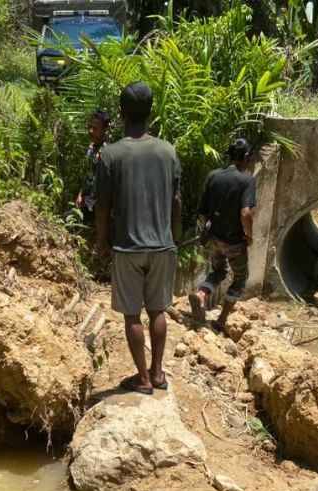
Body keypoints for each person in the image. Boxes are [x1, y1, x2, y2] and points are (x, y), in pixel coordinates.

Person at [95, 82, 182, 395]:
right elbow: (176, 201)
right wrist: (175, 236)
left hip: (127, 247)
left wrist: (101, 242)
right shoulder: (168, 151)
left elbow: (103, 206)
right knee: (158, 310)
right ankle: (158, 373)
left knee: (133, 314)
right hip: (163, 245)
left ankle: (142, 378)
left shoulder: (110, 154)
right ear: (150, 112)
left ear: (121, 112)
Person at [188, 138, 257, 333]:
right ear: (245, 157)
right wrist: (249, 235)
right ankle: (221, 320)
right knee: (240, 278)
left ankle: (201, 294)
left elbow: (202, 211)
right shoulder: (247, 180)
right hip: (234, 241)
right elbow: (246, 213)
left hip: (214, 238)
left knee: (219, 271)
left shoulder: (213, 176)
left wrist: (204, 232)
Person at [76, 110, 111, 228]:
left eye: (95, 128)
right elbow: (88, 174)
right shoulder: (91, 148)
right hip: (86, 202)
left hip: (99, 208)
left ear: (104, 130)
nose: (91, 131)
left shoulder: (108, 152)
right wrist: (80, 194)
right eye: (90, 127)